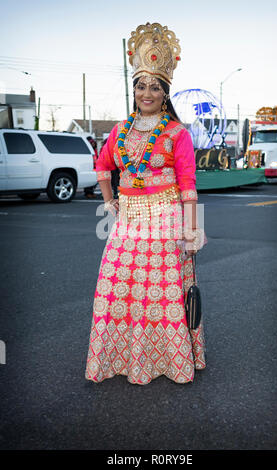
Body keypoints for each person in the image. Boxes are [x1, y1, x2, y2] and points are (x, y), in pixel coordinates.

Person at [85, 22, 207, 385]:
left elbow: (189, 186)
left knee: (161, 294)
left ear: (165, 92)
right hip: (127, 224)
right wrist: (110, 204)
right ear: (134, 89)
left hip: (166, 222)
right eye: (141, 85)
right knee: (116, 287)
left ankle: (169, 362)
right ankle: (124, 360)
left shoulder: (176, 134)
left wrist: (192, 230)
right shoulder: (120, 131)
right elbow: (103, 166)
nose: (146, 92)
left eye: (155, 86)